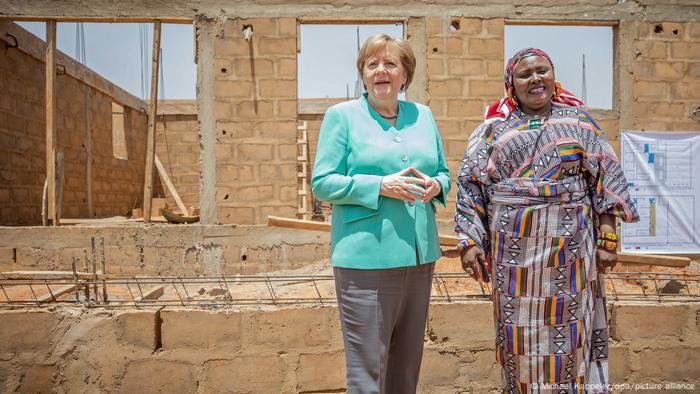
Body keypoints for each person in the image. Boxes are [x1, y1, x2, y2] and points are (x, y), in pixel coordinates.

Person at [455, 48, 639, 393]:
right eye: (525, 74)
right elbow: (470, 188)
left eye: (543, 71)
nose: (535, 79)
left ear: (554, 80)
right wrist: (469, 244)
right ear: (511, 84)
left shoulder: (580, 123)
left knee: (570, 334)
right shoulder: (491, 132)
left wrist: (609, 237)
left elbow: (607, 180)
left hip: (570, 257)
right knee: (517, 339)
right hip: (513, 266)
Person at [311, 34, 450, 394]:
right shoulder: (342, 117)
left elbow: (444, 173)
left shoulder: (423, 116)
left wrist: (437, 185)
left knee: (405, 369)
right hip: (365, 261)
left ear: (405, 74)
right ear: (363, 74)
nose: (381, 71)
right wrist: (378, 186)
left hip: (419, 257)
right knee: (367, 372)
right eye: (372, 64)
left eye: (390, 64)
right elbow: (322, 183)